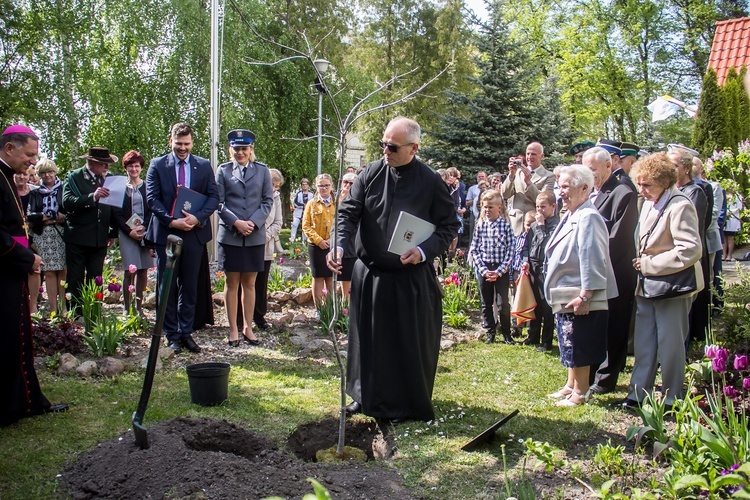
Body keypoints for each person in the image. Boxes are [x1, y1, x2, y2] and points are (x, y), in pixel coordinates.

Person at [327, 117, 459, 423]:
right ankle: (364, 396)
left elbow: (449, 226)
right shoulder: (371, 173)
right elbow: (348, 212)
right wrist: (339, 245)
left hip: (408, 278)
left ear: (413, 148)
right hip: (370, 273)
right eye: (383, 144)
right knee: (366, 341)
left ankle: (403, 405)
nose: (386, 150)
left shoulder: (429, 181)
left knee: (402, 344)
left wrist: (424, 251)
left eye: (393, 146)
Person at [616, 153, 703, 410]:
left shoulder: (680, 205)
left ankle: (672, 397)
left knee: (671, 345)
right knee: (644, 342)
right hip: (647, 286)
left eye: (647, 185)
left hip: (673, 288)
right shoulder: (648, 204)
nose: (641, 190)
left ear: (665, 182)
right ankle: (637, 393)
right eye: (639, 184)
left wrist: (650, 265)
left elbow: (690, 249)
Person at [0, 124, 67, 426]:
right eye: (29, 155)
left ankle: (25, 402)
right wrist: (27, 258)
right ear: (9, 148)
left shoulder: (5, 176)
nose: (32, 162)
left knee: (17, 337)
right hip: (6, 268)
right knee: (7, 339)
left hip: (12, 270)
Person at [544, 164, 617, 407]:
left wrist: (586, 295)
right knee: (568, 341)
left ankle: (581, 391)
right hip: (567, 291)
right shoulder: (571, 213)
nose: (560, 191)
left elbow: (592, 257)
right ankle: (570, 384)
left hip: (580, 294)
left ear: (584, 188)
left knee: (580, 342)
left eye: (566, 186)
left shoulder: (589, 217)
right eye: (559, 186)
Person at [146, 122, 219, 354]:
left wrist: (197, 219)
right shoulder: (157, 165)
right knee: (166, 285)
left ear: (192, 143)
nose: (182, 148)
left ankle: (186, 331)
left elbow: (213, 198)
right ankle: (171, 334)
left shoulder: (203, 166)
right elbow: (152, 198)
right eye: (178, 144)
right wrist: (170, 220)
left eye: (187, 144)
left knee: (189, 286)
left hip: (194, 233)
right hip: (167, 232)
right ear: (171, 142)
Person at [583, 147, 638, 394]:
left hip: (616, 270)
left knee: (615, 326)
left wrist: (595, 260)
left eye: (593, 169)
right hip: (596, 271)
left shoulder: (622, 192)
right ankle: (592, 372)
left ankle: (606, 379)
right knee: (597, 325)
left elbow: (620, 238)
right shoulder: (592, 193)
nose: (590, 174)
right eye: (587, 169)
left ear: (609, 166)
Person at [215, 129, 273, 347]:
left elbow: (267, 201)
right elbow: (218, 202)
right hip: (230, 235)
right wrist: (236, 222)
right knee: (232, 283)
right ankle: (233, 329)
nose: (240, 152)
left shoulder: (262, 171)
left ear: (251, 150)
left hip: (254, 235)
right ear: (231, 150)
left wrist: (253, 223)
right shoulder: (223, 171)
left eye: (244, 149)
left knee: (250, 284)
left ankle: (248, 327)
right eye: (236, 149)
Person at [62, 146, 117, 316]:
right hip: (78, 237)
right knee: (75, 277)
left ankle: (94, 310)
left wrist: (113, 232)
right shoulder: (74, 177)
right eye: (103, 163)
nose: (107, 167)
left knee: (96, 278)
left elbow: (114, 208)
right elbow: (67, 203)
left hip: (99, 237)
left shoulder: (110, 179)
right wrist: (93, 197)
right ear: (91, 162)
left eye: (108, 163)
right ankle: (75, 313)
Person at [669, 147, 710, 343]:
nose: (670, 169)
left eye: (674, 165)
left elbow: (695, 229)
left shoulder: (694, 192)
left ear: (685, 168)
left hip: (688, 257)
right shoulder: (671, 192)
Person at [469, 189, 515, 344]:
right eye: (485, 207)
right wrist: (484, 270)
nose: (487, 210)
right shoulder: (480, 225)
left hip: (500, 269)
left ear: (499, 208)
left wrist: (499, 271)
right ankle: (490, 331)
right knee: (486, 302)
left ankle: (507, 332)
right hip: (485, 267)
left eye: (490, 207)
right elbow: (474, 249)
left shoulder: (506, 226)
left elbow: (511, 250)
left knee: (503, 304)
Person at [112, 151, 155, 315]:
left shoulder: (147, 186)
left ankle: (139, 307)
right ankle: (127, 308)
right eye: (131, 166)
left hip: (145, 232)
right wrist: (129, 231)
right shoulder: (120, 187)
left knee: (143, 270)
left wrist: (145, 227)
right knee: (130, 270)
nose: (134, 169)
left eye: (137, 166)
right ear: (126, 168)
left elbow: (152, 208)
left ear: (141, 168)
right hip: (127, 233)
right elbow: (116, 212)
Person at [27, 159, 67, 316]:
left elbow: (68, 212)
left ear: (55, 172)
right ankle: (52, 309)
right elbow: (31, 216)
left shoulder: (63, 189)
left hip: (62, 234)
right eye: (43, 173)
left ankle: (63, 308)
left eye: (50, 172)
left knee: (63, 270)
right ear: (39, 175)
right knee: (49, 272)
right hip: (43, 235)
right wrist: (51, 217)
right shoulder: (35, 193)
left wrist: (48, 217)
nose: (47, 175)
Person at [521, 191, 560, 351]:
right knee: (535, 303)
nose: (539, 210)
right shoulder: (535, 225)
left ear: (553, 206)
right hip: (533, 268)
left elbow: (547, 246)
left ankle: (546, 340)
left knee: (546, 305)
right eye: (537, 207)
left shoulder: (556, 225)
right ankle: (533, 335)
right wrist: (525, 261)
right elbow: (526, 246)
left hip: (547, 269)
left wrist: (542, 226)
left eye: (543, 207)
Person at [501, 142, 555, 235]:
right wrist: (511, 175)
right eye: (528, 154)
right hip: (515, 223)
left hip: (534, 223)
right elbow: (505, 194)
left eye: (533, 154)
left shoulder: (548, 176)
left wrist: (529, 183)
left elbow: (545, 200)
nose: (530, 157)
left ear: (542, 156)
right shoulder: (517, 173)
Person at [253, 168, 284, 331]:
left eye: (277, 186)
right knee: (247, 280)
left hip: (265, 245)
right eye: (272, 184)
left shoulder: (276, 198)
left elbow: (278, 222)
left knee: (261, 281)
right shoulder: (254, 194)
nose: (274, 189)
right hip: (250, 242)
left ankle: (259, 315)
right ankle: (241, 316)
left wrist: (264, 236)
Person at [302, 173, 335, 310]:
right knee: (318, 277)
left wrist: (331, 240)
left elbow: (341, 224)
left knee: (330, 278)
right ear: (316, 187)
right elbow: (306, 225)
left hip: (332, 245)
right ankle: (319, 310)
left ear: (331, 186)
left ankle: (331, 308)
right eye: (321, 185)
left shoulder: (337, 203)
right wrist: (319, 240)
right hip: (316, 246)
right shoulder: (311, 204)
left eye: (326, 185)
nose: (324, 188)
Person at [333, 172, 358, 298]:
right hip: (342, 243)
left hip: (355, 243)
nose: (347, 185)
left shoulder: (359, 199)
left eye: (351, 183)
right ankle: (345, 305)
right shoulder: (336, 199)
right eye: (345, 182)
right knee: (344, 277)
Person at [465, 171, 487, 239]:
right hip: (474, 214)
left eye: (482, 176)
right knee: (473, 232)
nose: (481, 178)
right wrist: (476, 199)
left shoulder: (488, 188)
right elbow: (467, 203)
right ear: (477, 178)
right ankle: (471, 248)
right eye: (479, 177)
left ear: (486, 178)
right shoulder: (472, 189)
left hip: (486, 213)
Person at [290, 179, 312, 243]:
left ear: (308, 185)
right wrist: (303, 205)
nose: (304, 186)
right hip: (298, 212)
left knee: (305, 226)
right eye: (303, 185)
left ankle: (304, 241)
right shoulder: (298, 193)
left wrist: (307, 206)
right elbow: (295, 202)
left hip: (307, 213)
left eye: (306, 184)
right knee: (294, 225)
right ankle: (292, 239)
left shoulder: (311, 194)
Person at [724, 189, 742, 260]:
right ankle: (724, 254)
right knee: (724, 237)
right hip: (725, 218)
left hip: (732, 218)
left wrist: (730, 212)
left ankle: (729, 255)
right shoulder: (724, 193)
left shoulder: (737, 196)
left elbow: (739, 207)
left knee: (730, 237)